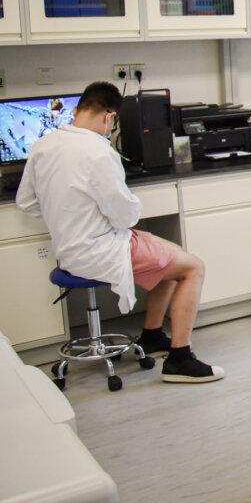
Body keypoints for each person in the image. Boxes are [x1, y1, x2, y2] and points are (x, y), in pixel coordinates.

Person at [16, 82, 223, 384]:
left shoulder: (42, 146)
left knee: (171, 257)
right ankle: (180, 359)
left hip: (69, 252)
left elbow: (26, 202)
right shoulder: (99, 152)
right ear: (109, 117)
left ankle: (153, 336)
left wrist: (66, 213)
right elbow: (125, 216)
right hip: (101, 250)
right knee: (193, 267)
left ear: (77, 110)